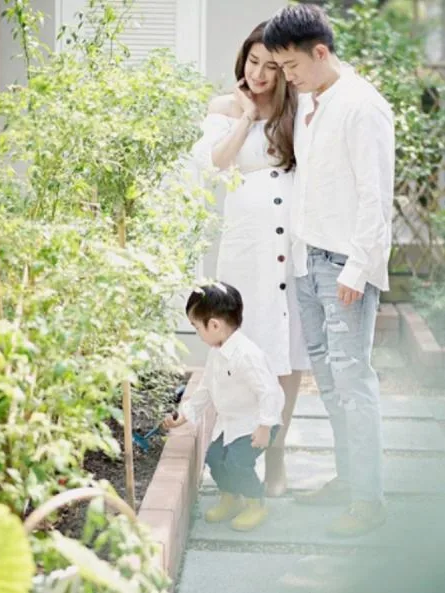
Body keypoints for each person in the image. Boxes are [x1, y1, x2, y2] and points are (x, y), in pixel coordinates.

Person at [263, 4, 395, 537]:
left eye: (291, 66)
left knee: (352, 380)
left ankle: (369, 500)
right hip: (307, 260)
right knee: (330, 381)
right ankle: (348, 480)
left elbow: (375, 196)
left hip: (344, 265)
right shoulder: (311, 102)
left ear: (320, 52)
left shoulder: (363, 106)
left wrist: (357, 270)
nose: (287, 77)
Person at [191, 21, 309, 498]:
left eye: (270, 66)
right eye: (252, 62)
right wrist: (245, 115)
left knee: (285, 352)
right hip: (245, 248)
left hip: (288, 247)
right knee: (239, 351)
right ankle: (236, 456)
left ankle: (275, 456)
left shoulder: (296, 110)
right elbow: (216, 163)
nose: (258, 74)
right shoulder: (224, 108)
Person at [164, 282, 283, 531]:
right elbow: (206, 388)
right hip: (231, 423)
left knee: (238, 463)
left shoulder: (247, 355)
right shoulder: (217, 351)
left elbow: (269, 392)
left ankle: (255, 503)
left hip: (256, 424)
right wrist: (185, 414)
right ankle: (231, 497)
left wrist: (265, 426)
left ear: (214, 325)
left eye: (197, 327)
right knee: (216, 458)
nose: (197, 333)